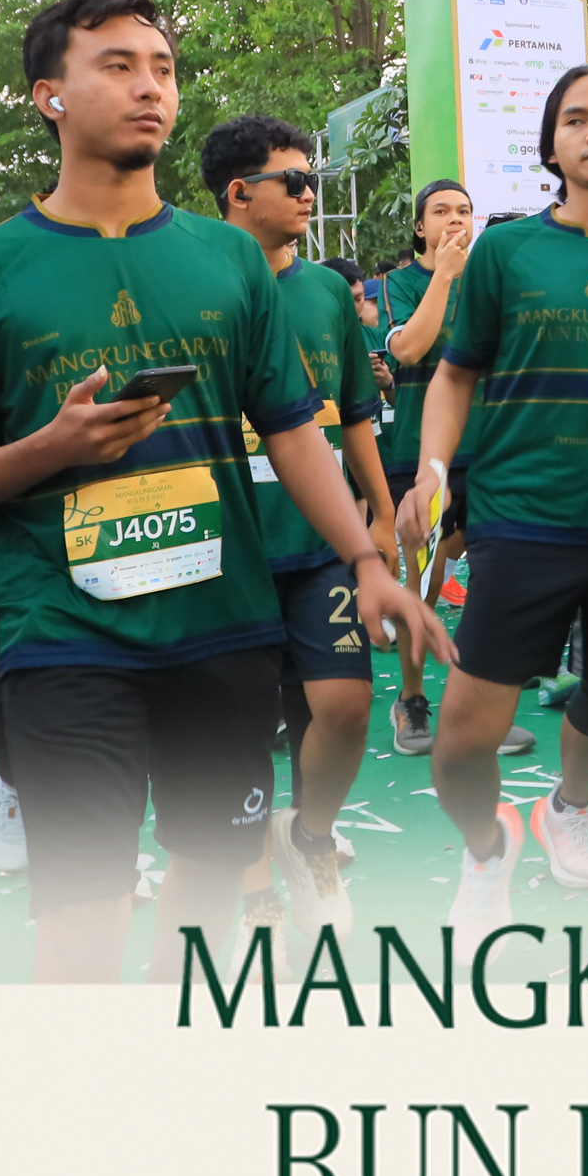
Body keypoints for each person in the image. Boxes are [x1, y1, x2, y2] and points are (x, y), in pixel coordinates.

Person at [0, 0, 450, 983]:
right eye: (117, 66)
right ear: (49, 95)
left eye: (161, 67)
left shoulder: (228, 260)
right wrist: (50, 446)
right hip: (64, 635)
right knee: (83, 921)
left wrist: (367, 559)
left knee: (208, 889)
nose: (149, 86)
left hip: (221, 627)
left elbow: (294, 429)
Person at [398, 65, 588, 939]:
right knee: (462, 744)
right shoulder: (505, 252)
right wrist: (432, 470)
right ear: (550, 147)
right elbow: (455, 373)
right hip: (522, 521)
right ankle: (487, 848)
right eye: (576, 119)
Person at [203, 112, 397, 936]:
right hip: (227, 549)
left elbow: (353, 413)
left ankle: (309, 835)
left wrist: (380, 515)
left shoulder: (325, 292)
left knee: (344, 705)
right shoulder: (198, 286)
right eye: (295, 180)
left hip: (321, 543)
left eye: (312, 179)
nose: (311, 193)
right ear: (239, 193)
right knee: (243, 726)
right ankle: (255, 891)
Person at [374, 178, 481, 755]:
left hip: (488, 450)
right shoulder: (399, 285)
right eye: (441, 211)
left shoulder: (487, 279)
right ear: (420, 227)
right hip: (420, 456)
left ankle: (478, 710)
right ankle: (411, 700)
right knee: (426, 583)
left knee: (495, 582)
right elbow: (409, 349)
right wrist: (443, 275)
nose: (454, 220)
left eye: (464, 210)